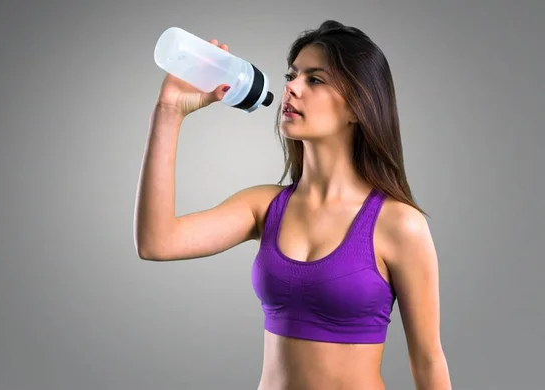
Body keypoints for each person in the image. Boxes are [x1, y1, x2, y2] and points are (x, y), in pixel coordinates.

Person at [134, 20, 452, 390]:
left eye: (314, 79)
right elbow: (157, 242)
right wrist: (169, 110)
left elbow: (428, 360)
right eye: (292, 75)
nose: (291, 87)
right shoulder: (265, 206)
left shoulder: (399, 224)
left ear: (357, 107)